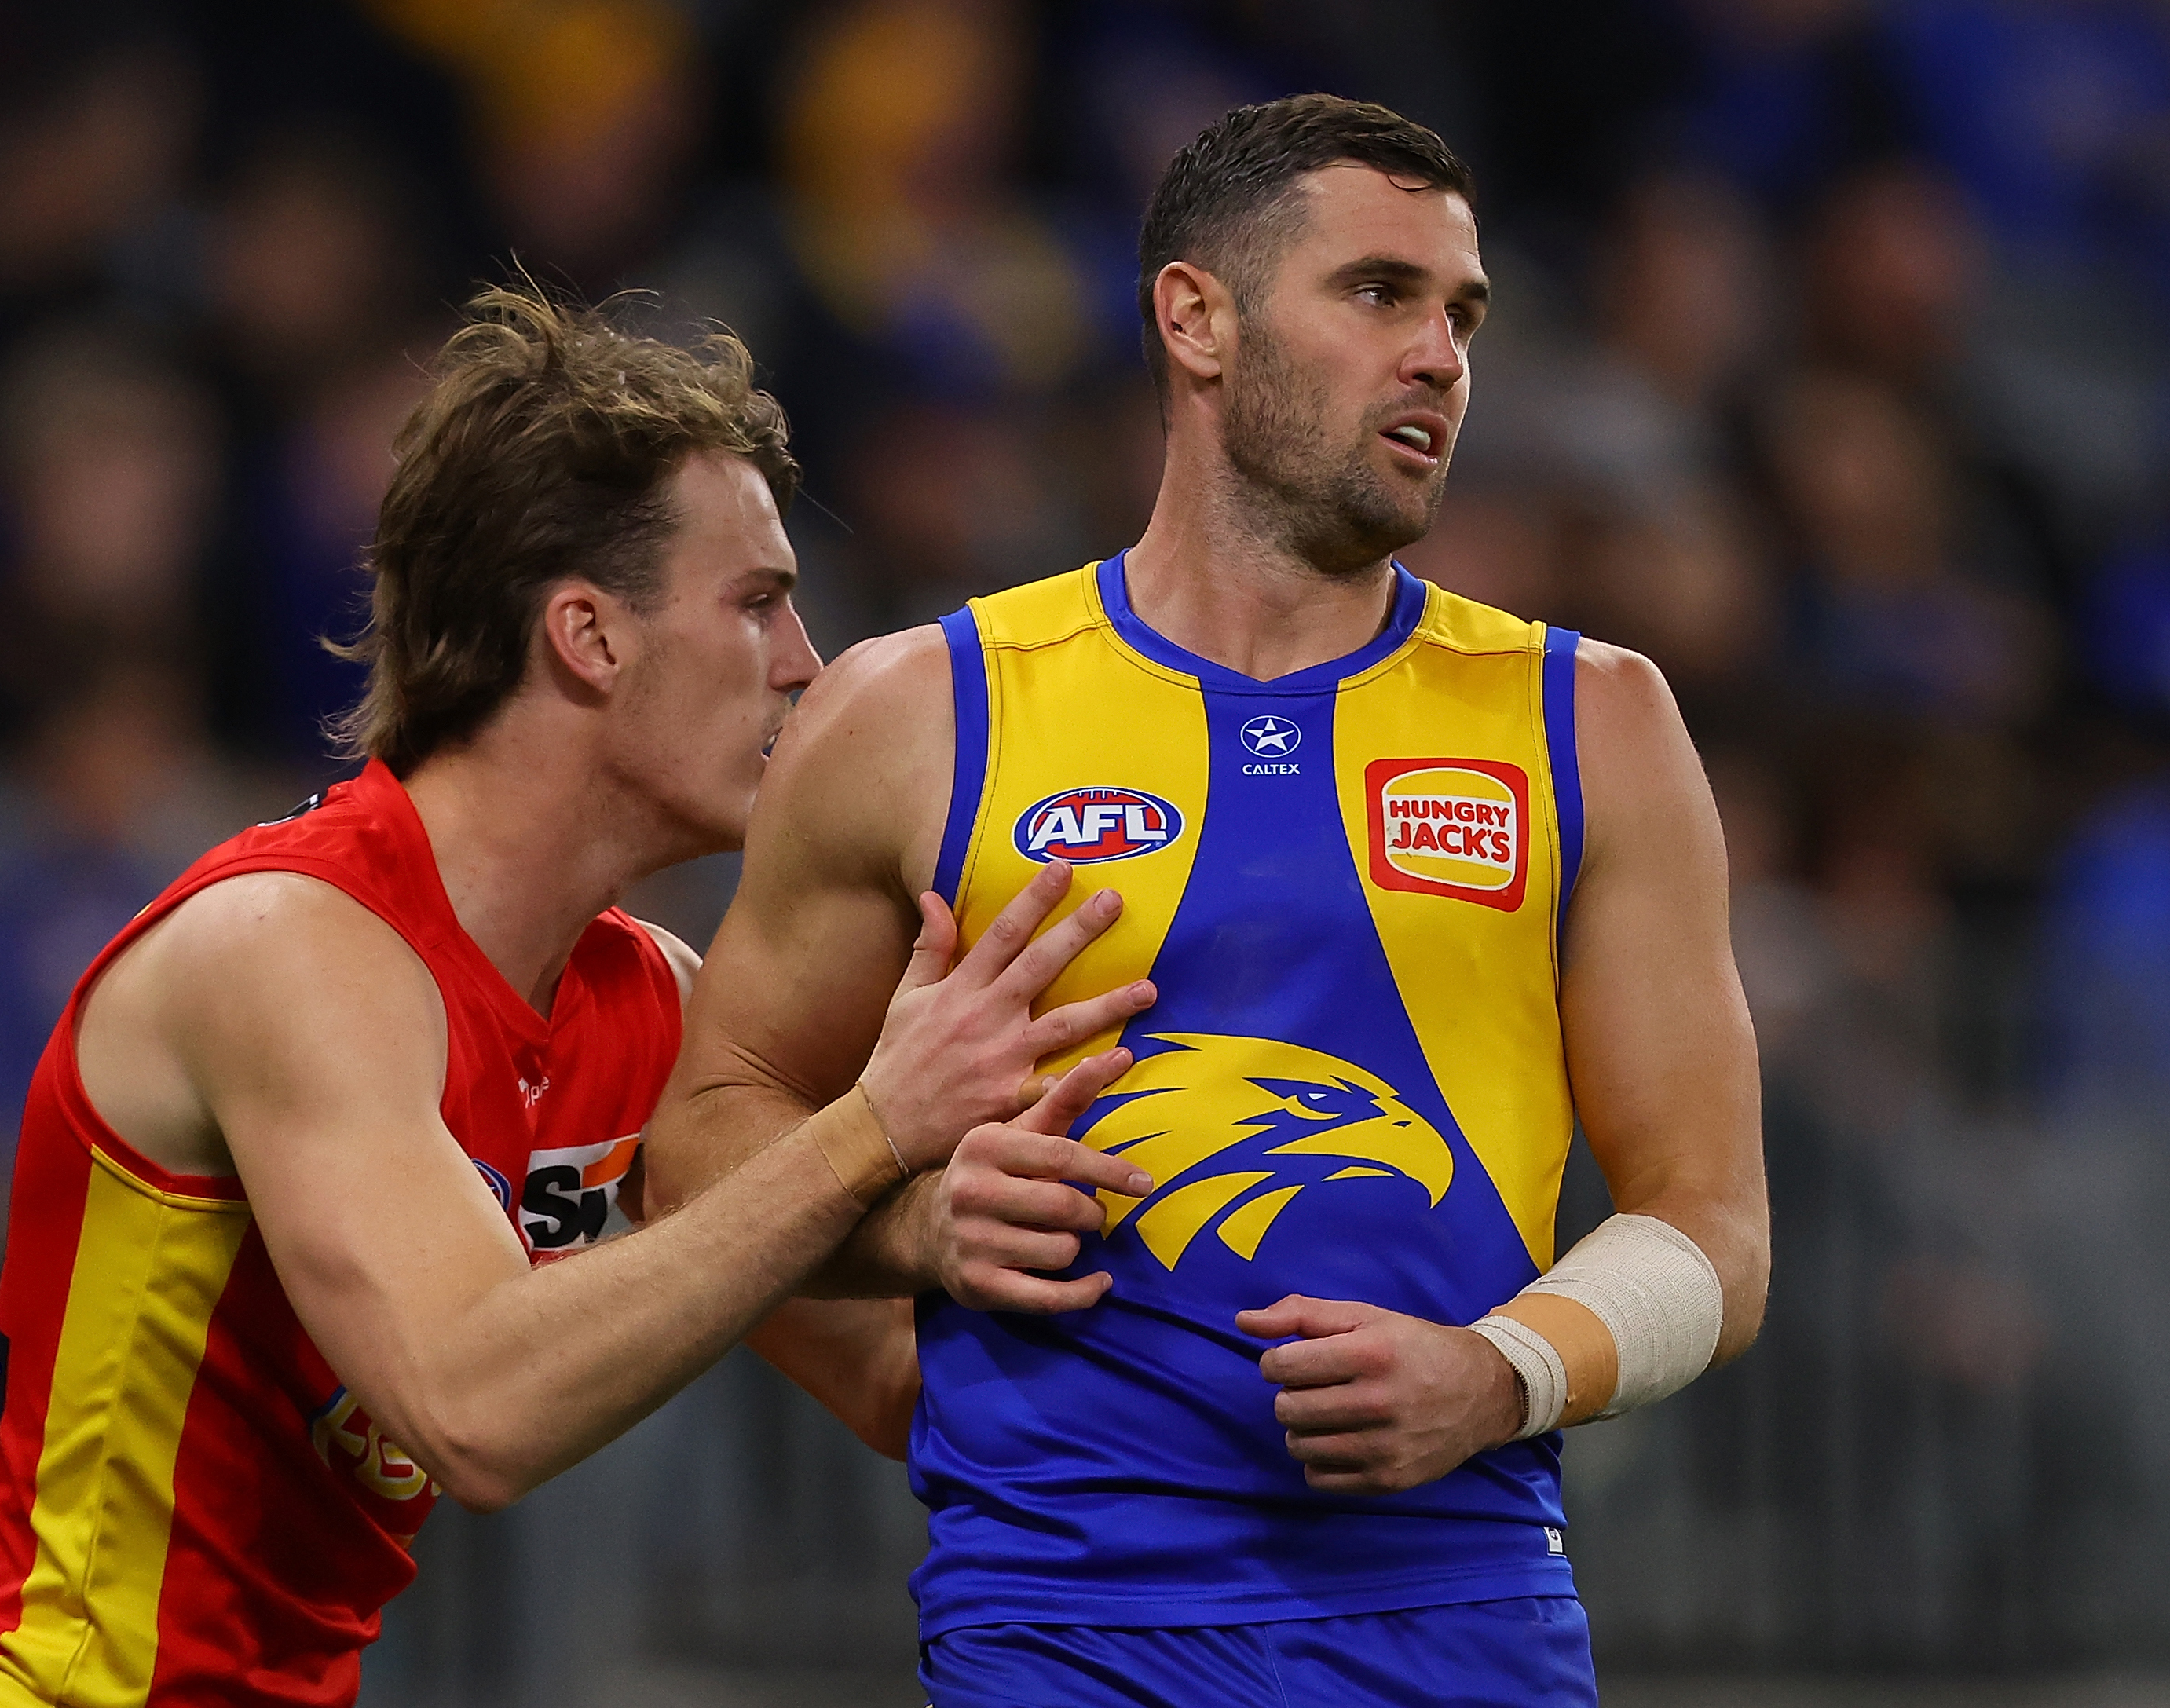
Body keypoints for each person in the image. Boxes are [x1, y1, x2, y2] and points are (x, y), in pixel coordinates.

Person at [0, 286, 1149, 1708]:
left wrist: (1350, 1383)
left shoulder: (645, 1000)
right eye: (759, 603)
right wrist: (873, 1136)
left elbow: (898, 1387)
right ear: (588, 637)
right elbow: (477, 1408)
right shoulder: (292, 948)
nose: (808, 665)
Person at [650, 96, 1771, 1706]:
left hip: (1456, 1610)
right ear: (1196, 318)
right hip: (1054, 1618)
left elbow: (1716, 1232)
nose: (1443, 355)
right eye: (1380, 293)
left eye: (1462, 313)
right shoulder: (922, 712)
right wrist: (903, 1218)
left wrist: (1498, 1369)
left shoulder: (1594, 721)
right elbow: (699, 1139)